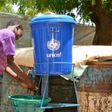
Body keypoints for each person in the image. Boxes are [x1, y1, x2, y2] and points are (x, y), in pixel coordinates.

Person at [0, 20, 37, 91]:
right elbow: (10, 62)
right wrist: (27, 80)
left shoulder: (2, 33)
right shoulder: (9, 34)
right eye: (20, 35)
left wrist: (20, 80)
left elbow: (5, 66)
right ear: (17, 27)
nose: (18, 38)